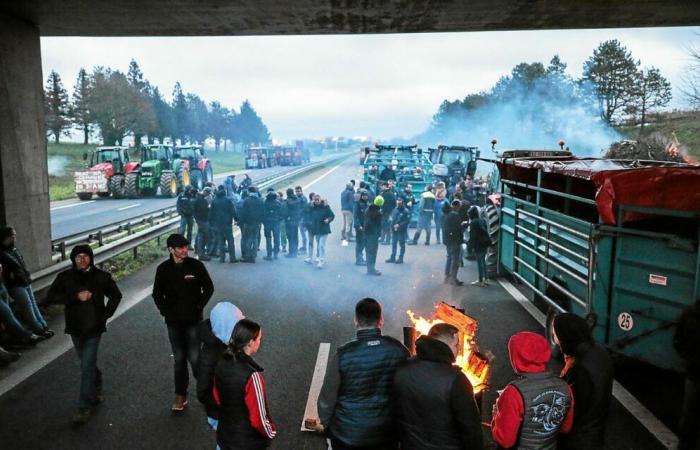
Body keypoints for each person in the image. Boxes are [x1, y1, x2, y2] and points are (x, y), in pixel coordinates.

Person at [46, 244, 122, 426]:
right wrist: (74, 297)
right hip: (75, 328)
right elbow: (51, 297)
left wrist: (105, 316)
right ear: (73, 259)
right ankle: (96, 382)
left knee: (86, 365)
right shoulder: (65, 277)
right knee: (85, 363)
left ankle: (83, 406)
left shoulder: (101, 277)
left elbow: (116, 296)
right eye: (78, 256)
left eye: (85, 256)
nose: (82, 259)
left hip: (94, 328)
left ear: (91, 258)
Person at [318, 298, 409, 449]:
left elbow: (327, 397)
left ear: (356, 321)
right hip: (386, 434)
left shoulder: (344, 354)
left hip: (346, 435)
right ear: (381, 321)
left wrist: (328, 427)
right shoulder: (398, 350)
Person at [393, 323, 483, 450]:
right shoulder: (456, 379)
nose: (458, 350)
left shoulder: (402, 370)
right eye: (457, 345)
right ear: (448, 345)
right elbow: (471, 430)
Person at [153, 233, 214, 412]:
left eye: (186, 247)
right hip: (173, 323)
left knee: (195, 358)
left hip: (194, 321)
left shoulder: (196, 266)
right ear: (171, 250)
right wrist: (165, 311)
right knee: (179, 359)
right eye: (181, 248)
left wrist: (199, 306)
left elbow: (209, 287)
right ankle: (180, 395)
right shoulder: (163, 269)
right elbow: (157, 294)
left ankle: (207, 390)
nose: (185, 250)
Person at [491, 331, 574, 449]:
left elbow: (505, 440)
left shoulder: (513, 392)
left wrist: (496, 416)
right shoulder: (565, 387)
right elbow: (566, 427)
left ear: (516, 357)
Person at [553, 313, 613, 450]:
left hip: (579, 439)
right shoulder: (599, 351)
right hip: (596, 430)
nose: (555, 340)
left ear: (566, 336)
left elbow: (573, 410)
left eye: (556, 334)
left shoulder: (580, 369)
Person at [214, 319, 277, 449]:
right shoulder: (253, 376)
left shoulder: (222, 362)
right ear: (250, 342)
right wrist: (270, 431)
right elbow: (258, 417)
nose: (260, 341)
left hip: (225, 435)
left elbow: (217, 397)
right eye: (259, 339)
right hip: (247, 442)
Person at [197, 302, 245, 432]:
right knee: (227, 441)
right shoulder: (212, 355)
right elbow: (203, 390)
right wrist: (221, 406)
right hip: (221, 413)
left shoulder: (227, 343)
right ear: (225, 327)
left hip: (231, 409)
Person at [0, 227, 53, 338]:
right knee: (27, 307)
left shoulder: (14, 249)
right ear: (7, 237)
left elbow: (21, 264)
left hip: (24, 281)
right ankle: (38, 329)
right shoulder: (2, 253)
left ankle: (43, 326)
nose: (15, 237)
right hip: (15, 285)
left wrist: (27, 275)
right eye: (13, 235)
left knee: (33, 304)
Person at [673, 298, 700, 450]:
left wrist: (689, 359)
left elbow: (678, 341)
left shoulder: (690, 313)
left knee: (689, 421)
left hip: (694, 375)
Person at [0, 264, 44, 347]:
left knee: (7, 314)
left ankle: (13, 337)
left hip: (1, 285)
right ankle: (27, 335)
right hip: (5, 284)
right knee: (7, 313)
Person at [306, 194, 335, 268]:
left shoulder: (325, 206)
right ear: (313, 200)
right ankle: (313, 257)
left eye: (318, 199)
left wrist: (328, 220)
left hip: (324, 229)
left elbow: (332, 215)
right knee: (317, 244)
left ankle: (321, 260)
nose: (316, 201)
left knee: (321, 245)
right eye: (315, 200)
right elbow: (307, 215)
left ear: (320, 199)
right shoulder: (311, 207)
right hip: (316, 229)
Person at [210, 185, 238, 263]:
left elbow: (211, 213)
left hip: (218, 224)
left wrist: (212, 223)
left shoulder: (214, 201)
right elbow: (233, 211)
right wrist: (236, 219)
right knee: (230, 241)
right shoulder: (228, 200)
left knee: (221, 242)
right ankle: (232, 258)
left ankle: (222, 258)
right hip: (227, 223)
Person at [443, 200, 468, 286]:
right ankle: (454, 279)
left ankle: (447, 275)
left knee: (449, 257)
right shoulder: (455, 215)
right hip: (455, 241)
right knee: (455, 260)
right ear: (456, 206)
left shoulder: (447, 214)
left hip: (448, 240)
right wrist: (464, 225)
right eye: (459, 206)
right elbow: (457, 229)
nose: (460, 207)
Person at [239, 186, 264, 263]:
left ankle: (247, 256)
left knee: (247, 239)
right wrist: (260, 221)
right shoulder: (260, 200)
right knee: (255, 238)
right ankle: (254, 255)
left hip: (248, 222)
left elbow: (243, 212)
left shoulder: (247, 200)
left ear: (249, 192)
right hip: (257, 223)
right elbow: (263, 212)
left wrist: (242, 221)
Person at [467, 206, 491, 287]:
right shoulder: (482, 220)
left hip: (478, 244)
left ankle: (480, 281)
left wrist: (469, 248)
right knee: (483, 262)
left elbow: (472, 236)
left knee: (479, 262)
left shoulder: (473, 223)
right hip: (485, 243)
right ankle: (486, 279)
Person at [386, 197, 410, 264]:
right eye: (397, 203)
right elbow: (392, 217)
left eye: (399, 203)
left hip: (401, 230)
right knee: (394, 244)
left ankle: (401, 258)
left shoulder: (406, 211)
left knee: (401, 244)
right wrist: (390, 221)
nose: (398, 205)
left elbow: (407, 221)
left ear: (402, 203)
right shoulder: (395, 209)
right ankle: (393, 257)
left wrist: (399, 225)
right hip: (394, 229)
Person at [262, 189, 283, 261]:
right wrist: (279, 219)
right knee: (276, 239)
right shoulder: (278, 203)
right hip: (276, 223)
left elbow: (263, 214)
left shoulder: (265, 203)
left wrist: (264, 221)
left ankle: (269, 255)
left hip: (267, 223)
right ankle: (276, 254)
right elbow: (282, 213)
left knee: (268, 239)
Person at [365, 199, 383, 276]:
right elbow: (378, 225)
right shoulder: (378, 213)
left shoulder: (367, 210)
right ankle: (372, 269)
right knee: (373, 252)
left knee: (368, 252)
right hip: (373, 235)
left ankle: (370, 268)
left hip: (367, 234)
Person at [193, 187, 212, 261]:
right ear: (205, 192)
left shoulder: (199, 198)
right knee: (204, 237)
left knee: (200, 236)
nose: (208, 195)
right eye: (208, 193)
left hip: (200, 220)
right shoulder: (200, 200)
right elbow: (202, 210)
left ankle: (199, 251)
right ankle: (201, 254)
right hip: (202, 220)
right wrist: (208, 208)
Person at [353, 189, 370, 266]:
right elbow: (355, 216)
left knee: (364, 243)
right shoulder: (357, 204)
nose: (365, 197)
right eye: (364, 196)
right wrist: (358, 226)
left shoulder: (368, 204)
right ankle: (358, 260)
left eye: (366, 196)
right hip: (359, 227)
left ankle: (361, 258)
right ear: (361, 196)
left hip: (366, 227)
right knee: (360, 243)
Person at [283, 188, 302, 258]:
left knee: (290, 238)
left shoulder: (286, 201)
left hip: (289, 221)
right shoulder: (297, 200)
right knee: (295, 237)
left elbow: (285, 212)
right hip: (296, 221)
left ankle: (291, 253)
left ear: (287, 193)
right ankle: (295, 252)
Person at [296, 186, 309, 254]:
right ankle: (302, 247)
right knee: (300, 234)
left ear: (301, 191)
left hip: (302, 218)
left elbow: (305, 209)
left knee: (303, 234)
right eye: (296, 191)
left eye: (299, 191)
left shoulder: (303, 198)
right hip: (298, 218)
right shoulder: (297, 198)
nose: (297, 193)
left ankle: (304, 248)